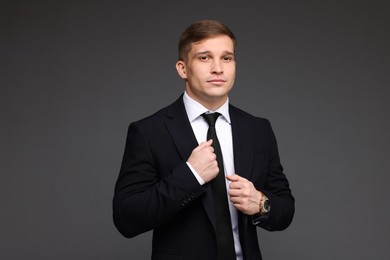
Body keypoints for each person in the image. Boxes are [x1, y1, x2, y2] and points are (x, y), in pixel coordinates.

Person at [113, 19, 294, 260]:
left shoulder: (258, 129)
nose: (218, 68)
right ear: (183, 68)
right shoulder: (149, 131)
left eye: (226, 58)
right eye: (204, 58)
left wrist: (261, 203)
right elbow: (127, 218)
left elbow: (285, 210)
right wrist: (191, 175)